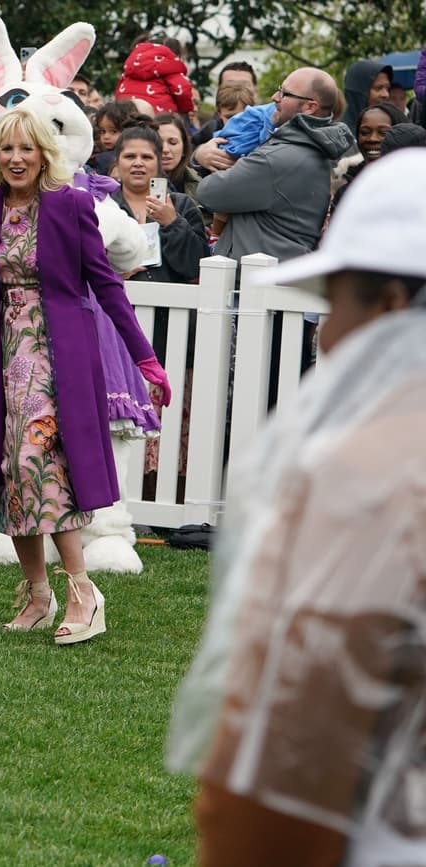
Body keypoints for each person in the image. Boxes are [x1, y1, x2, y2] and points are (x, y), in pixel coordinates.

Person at [166, 148, 426, 866]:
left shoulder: (371, 477)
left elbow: (290, 759)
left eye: (333, 302)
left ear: (390, 305)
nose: (325, 333)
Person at [0, 106, 169, 643]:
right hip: (2, 354)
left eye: (27, 148)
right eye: (6, 149)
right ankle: (38, 593)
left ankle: (82, 592)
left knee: (37, 462)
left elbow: (107, 283)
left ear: (44, 154)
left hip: (57, 356)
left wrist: (145, 359)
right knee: (11, 468)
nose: (16, 158)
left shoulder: (71, 205)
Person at [196, 67, 352, 264]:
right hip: (278, 275)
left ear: (310, 107)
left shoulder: (278, 158)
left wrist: (235, 161)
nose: (274, 97)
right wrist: (201, 154)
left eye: (284, 93)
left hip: (257, 283)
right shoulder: (312, 150)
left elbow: (209, 192)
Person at [111, 126, 206, 284]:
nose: (138, 163)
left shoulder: (182, 205)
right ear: (117, 162)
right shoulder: (104, 207)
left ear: (159, 163)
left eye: (147, 157)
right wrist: (113, 274)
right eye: (129, 156)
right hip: (116, 304)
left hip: (172, 305)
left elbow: (195, 267)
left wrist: (172, 223)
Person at [113, 35, 195, 117]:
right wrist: (186, 110)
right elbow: (183, 91)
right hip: (158, 117)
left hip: (125, 115)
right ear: (175, 54)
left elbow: (117, 92)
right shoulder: (172, 69)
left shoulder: (129, 70)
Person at [339, 60, 394, 138]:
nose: (386, 94)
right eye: (378, 88)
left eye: (387, 88)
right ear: (360, 93)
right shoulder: (340, 137)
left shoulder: (393, 128)